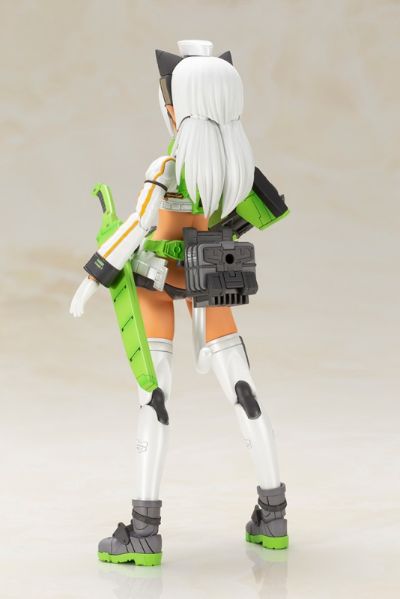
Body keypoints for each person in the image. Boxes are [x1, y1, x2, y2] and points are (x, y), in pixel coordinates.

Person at [70, 39, 288, 566]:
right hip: (210, 282)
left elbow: (137, 225)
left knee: (155, 398)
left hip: (155, 286)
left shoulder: (167, 166)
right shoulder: (235, 166)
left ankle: (144, 531)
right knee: (244, 392)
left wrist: (95, 273)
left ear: (174, 109)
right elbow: (261, 212)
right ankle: (274, 515)